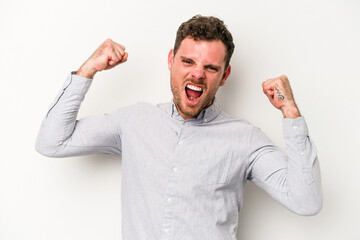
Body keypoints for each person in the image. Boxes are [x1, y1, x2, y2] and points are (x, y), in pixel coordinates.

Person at [36, 15, 322, 240]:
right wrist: (88, 69)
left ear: (225, 76)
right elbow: (52, 142)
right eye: (188, 61)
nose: (198, 73)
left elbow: (306, 201)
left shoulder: (245, 139)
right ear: (171, 60)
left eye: (211, 68)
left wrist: (290, 112)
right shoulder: (134, 121)